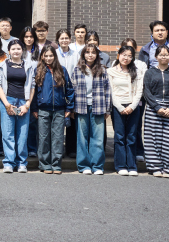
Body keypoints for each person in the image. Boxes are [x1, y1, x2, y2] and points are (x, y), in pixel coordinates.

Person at [0, 39, 36, 173]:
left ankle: (21, 163)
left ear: (22, 50)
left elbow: (32, 86)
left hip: (23, 101)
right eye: (13, 49)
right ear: (9, 51)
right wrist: (7, 104)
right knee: (8, 133)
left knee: (22, 134)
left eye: (18, 49)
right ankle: (9, 162)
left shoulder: (28, 66)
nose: (16, 51)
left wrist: (27, 104)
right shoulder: (2, 66)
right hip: (8, 100)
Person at [32, 44, 74, 174]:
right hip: (43, 109)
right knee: (43, 137)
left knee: (58, 137)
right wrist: (34, 108)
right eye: (46, 56)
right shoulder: (38, 70)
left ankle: (56, 164)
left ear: (54, 56)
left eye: (51, 56)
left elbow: (69, 90)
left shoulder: (62, 70)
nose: (48, 58)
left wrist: (69, 107)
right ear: (42, 56)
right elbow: (34, 91)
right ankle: (44, 164)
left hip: (59, 109)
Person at [143, 45, 169, 178]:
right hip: (154, 108)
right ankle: (155, 167)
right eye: (161, 54)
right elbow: (146, 91)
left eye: (166, 55)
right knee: (152, 139)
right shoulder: (149, 73)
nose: (163, 57)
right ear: (156, 57)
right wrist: (157, 107)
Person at [70, 45, 111, 175]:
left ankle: (97, 165)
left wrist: (108, 109)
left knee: (98, 138)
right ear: (83, 55)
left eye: (93, 52)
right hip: (81, 106)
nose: (90, 55)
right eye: (87, 52)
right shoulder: (77, 70)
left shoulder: (102, 70)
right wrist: (71, 108)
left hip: (98, 106)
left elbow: (107, 90)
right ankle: (84, 166)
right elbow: (72, 90)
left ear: (97, 55)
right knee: (82, 138)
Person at [107, 45, 146, 176]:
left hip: (133, 107)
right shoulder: (110, 72)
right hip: (117, 107)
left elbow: (139, 91)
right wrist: (120, 107)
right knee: (119, 136)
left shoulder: (136, 71)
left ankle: (132, 165)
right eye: (124, 55)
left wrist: (132, 106)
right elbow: (111, 91)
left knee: (132, 136)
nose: (126, 58)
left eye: (130, 56)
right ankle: (120, 166)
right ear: (118, 55)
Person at [121, 38, 148, 163]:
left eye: (131, 47)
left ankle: (138, 151)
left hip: (137, 100)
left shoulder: (141, 64)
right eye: (125, 47)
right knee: (122, 128)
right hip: (121, 100)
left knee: (136, 126)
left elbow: (143, 82)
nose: (128, 50)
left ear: (135, 49)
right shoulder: (116, 64)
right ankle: (123, 152)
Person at [56, 29, 78, 158]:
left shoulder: (76, 54)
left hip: (72, 90)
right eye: (61, 38)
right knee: (58, 120)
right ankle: (58, 149)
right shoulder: (54, 54)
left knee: (71, 118)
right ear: (58, 40)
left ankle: (70, 149)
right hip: (58, 90)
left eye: (66, 38)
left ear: (70, 39)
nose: (64, 40)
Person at [19, 26, 39, 157]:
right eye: (26, 37)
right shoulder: (18, 50)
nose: (29, 39)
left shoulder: (38, 52)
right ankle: (20, 147)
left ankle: (32, 148)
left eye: (31, 36)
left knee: (32, 120)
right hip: (19, 88)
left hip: (34, 89)